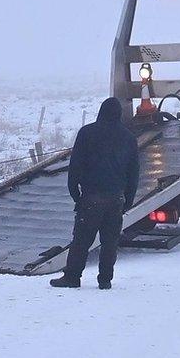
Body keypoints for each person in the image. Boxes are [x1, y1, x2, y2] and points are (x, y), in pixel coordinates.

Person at [51, 97, 139, 290]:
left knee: (82, 240)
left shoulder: (87, 133)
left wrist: (76, 194)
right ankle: (105, 279)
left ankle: (72, 277)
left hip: (91, 197)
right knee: (110, 242)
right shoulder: (129, 138)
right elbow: (134, 173)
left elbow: (74, 167)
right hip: (116, 198)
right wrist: (128, 199)